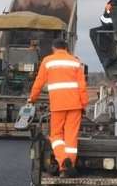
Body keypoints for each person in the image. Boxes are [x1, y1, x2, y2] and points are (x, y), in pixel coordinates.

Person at [28, 38, 89, 176]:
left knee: (56, 135)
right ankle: (68, 167)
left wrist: (31, 99)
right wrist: (84, 104)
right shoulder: (75, 61)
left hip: (58, 105)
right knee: (71, 137)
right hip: (75, 105)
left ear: (54, 48)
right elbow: (82, 86)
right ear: (66, 48)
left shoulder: (48, 61)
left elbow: (38, 82)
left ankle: (63, 161)